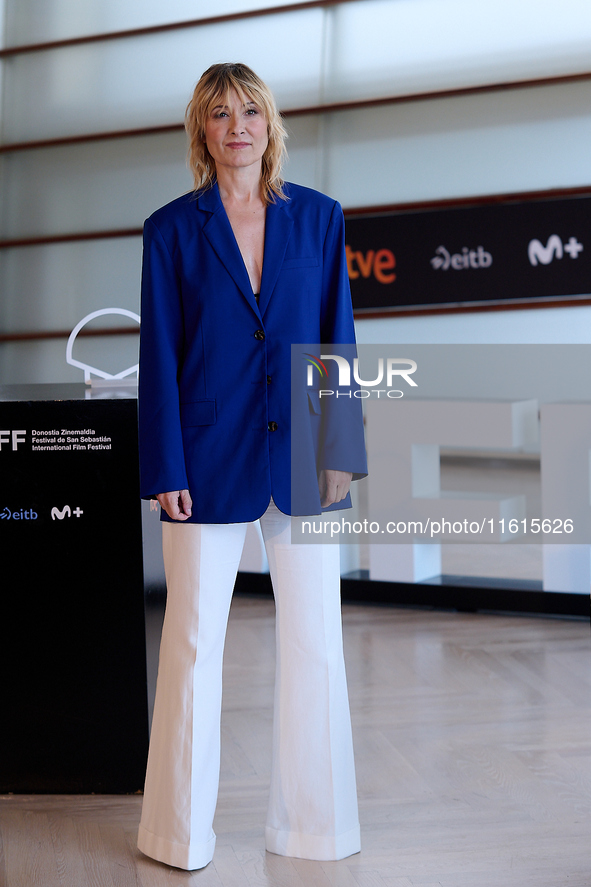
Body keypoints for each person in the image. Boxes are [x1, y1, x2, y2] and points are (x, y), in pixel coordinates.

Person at [137, 62, 367, 872]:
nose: (237, 125)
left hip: (304, 454)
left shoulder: (320, 219)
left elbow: (334, 336)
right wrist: (163, 460)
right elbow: (159, 355)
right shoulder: (170, 229)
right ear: (202, 130)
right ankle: (177, 835)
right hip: (202, 458)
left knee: (316, 640)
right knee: (192, 645)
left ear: (269, 124)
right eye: (220, 113)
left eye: (250, 111)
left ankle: (315, 828)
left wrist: (340, 447)